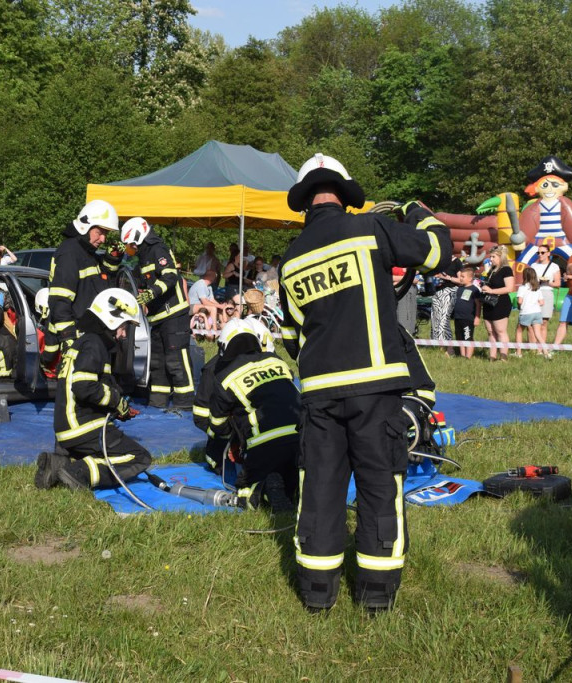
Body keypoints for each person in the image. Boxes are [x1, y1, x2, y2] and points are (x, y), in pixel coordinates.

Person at [280, 153, 452, 615]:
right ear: (344, 190)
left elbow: (295, 334)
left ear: (304, 199)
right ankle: (375, 595)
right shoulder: (369, 230)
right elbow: (437, 251)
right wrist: (416, 209)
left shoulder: (290, 259)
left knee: (319, 486)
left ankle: (317, 592)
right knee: (379, 484)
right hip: (375, 386)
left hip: (318, 390)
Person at [35, 288, 151, 491]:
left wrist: (118, 408)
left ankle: (59, 463)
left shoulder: (85, 342)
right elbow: (84, 387)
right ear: (112, 319)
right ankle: (80, 473)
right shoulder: (94, 344)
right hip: (83, 427)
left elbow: (93, 386)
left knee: (103, 455)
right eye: (124, 327)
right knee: (139, 457)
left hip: (66, 430)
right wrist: (116, 400)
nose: (123, 334)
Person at [205, 318, 299, 510]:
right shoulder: (277, 361)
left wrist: (235, 438)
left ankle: (262, 488)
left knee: (245, 491)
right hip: (302, 438)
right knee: (294, 484)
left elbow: (218, 425)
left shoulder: (225, 377)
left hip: (264, 445)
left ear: (224, 347)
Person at [121, 217, 194, 411]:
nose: (130, 248)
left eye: (130, 244)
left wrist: (152, 293)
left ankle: (185, 405)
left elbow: (170, 276)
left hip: (174, 315)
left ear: (138, 236)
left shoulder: (158, 250)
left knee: (176, 361)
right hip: (157, 318)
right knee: (158, 363)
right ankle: (157, 403)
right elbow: (137, 280)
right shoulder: (144, 256)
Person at [47, 199, 122, 347]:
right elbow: (60, 300)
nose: (103, 239)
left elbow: (101, 283)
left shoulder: (87, 252)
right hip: (76, 338)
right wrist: (68, 336)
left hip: (90, 335)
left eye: (105, 234)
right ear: (85, 225)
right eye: (99, 232)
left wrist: (112, 258)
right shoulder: (70, 253)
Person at [481, 246, 515, 361]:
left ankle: (503, 356)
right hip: (488, 303)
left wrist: (491, 291)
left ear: (501, 257)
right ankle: (492, 356)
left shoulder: (506, 269)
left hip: (500, 303)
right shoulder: (491, 270)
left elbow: (509, 288)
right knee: (490, 331)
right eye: (490, 256)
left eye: (493, 256)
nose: (491, 259)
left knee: (500, 331)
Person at [529, 244, 561, 348]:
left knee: (543, 322)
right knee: (532, 321)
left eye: (542, 252)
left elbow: (558, 283)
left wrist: (548, 282)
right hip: (534, 292)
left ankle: (541, 347)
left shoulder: (554, 266)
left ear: (548, 253)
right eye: (538, 253)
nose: (540, 255)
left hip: (547, 292)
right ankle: (532, 347)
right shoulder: (533, 265)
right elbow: (528, 281)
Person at [430, 251, 464, 344]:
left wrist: (447, 277)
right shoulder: (438, 262)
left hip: (449, 292)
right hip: (437, 292)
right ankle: (436, 344)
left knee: (444, 319)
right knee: (435, 318)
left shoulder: (456, 262)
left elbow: (461, 280)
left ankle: (448, 346)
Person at [451, 266, 482, 359]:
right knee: (459, 337)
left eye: (463, 276)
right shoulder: (459, 289)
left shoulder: (474, 290)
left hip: (468, 318)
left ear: (470, 278)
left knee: (467, 337)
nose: (460, 278)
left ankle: (468, 357)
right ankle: (462, 355)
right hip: (458, 317)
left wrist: (477, 317)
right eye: (460, 276)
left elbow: (478, 305)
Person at [514, 268, 545, 357]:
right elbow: (542, 302)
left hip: (526, 312)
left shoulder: (522, 287)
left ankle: (518, 352)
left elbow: (520, 301)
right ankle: (545, 351)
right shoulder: (537, 288)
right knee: (538, 334)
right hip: (537, 312)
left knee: (519, 331)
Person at [33, 288, 59, 377]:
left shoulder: (51, 324)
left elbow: (49, 355)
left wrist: (37, 360)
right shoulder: (60, 315)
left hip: (53, 371)